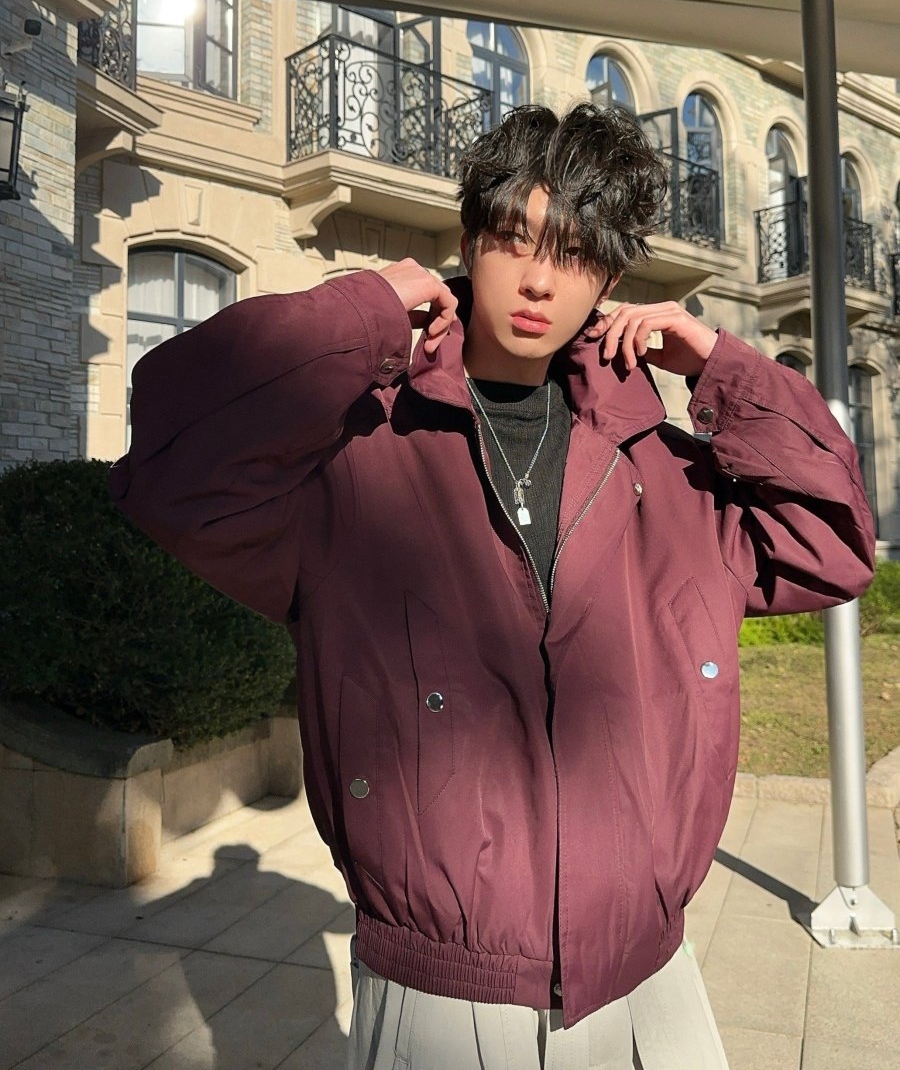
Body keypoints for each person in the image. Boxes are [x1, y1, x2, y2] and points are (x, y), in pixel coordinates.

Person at [110, 103, 875, 1070]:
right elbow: (174, 467)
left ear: (610, 279)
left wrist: (724, 370)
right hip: (440, 990)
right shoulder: (353, 460)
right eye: (516, 238)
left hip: (649, 980)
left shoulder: (670, 474)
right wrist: (361, 311)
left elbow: (832, 541)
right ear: (471, 238)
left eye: (577, 253)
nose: (541, 279)